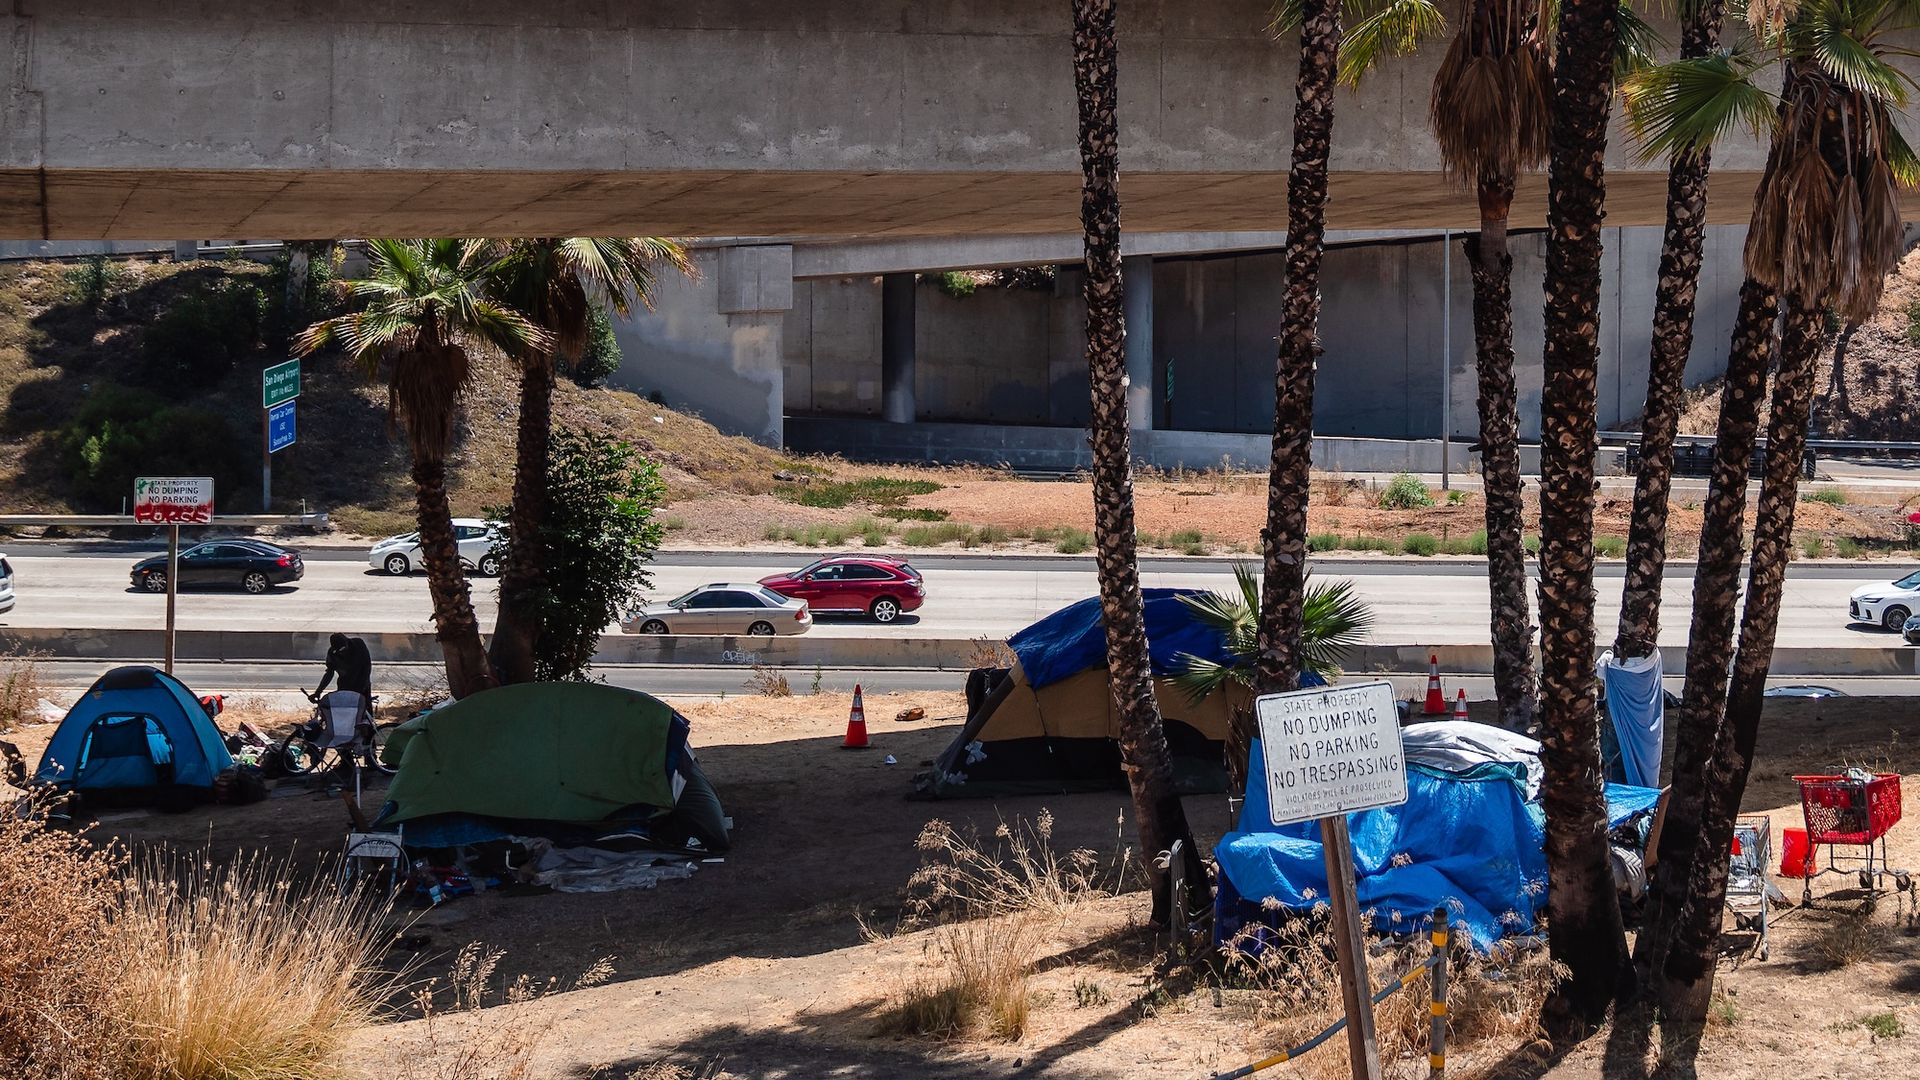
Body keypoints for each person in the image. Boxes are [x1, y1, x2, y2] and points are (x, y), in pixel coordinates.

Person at [310, 633, 373, 706]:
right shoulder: (332, 653)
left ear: (347, 642)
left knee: (363, 710)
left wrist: (361, 688)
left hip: (362, 684)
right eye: (338, 651)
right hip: (344, 685)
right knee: (343, 710)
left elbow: (367, 667)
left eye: (343, 648)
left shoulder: (358, 644)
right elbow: (329, 673)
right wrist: (318, 692)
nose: (342, 652)